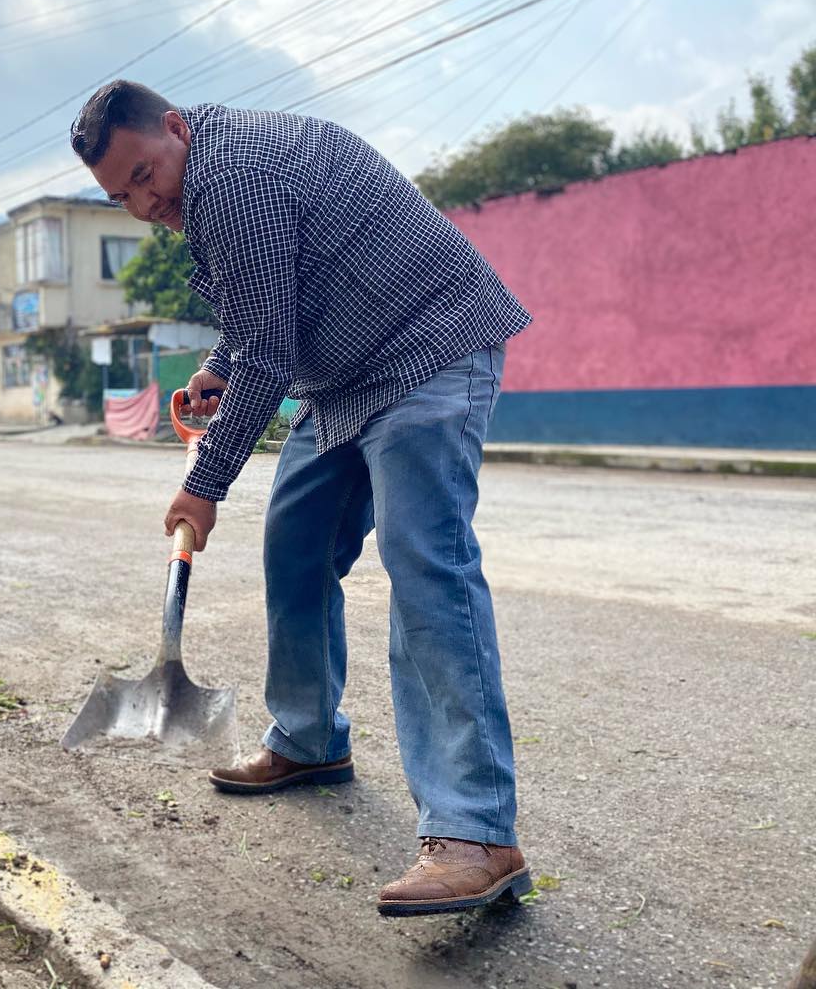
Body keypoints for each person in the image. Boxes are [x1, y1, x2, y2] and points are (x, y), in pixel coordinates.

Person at [70, 81, 532, 917]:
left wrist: (203, 485)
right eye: (120, 195)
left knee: (426, 567)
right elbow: (266, 316)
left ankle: (476, 832)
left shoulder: (233, 175)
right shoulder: (207, 176)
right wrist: (224, 362)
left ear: (175, 127)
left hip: (427, 350)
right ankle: (309, 740)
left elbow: (274, 355)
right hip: (348, 377)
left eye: (144, 175)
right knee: (295, 545)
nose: (142, 203)